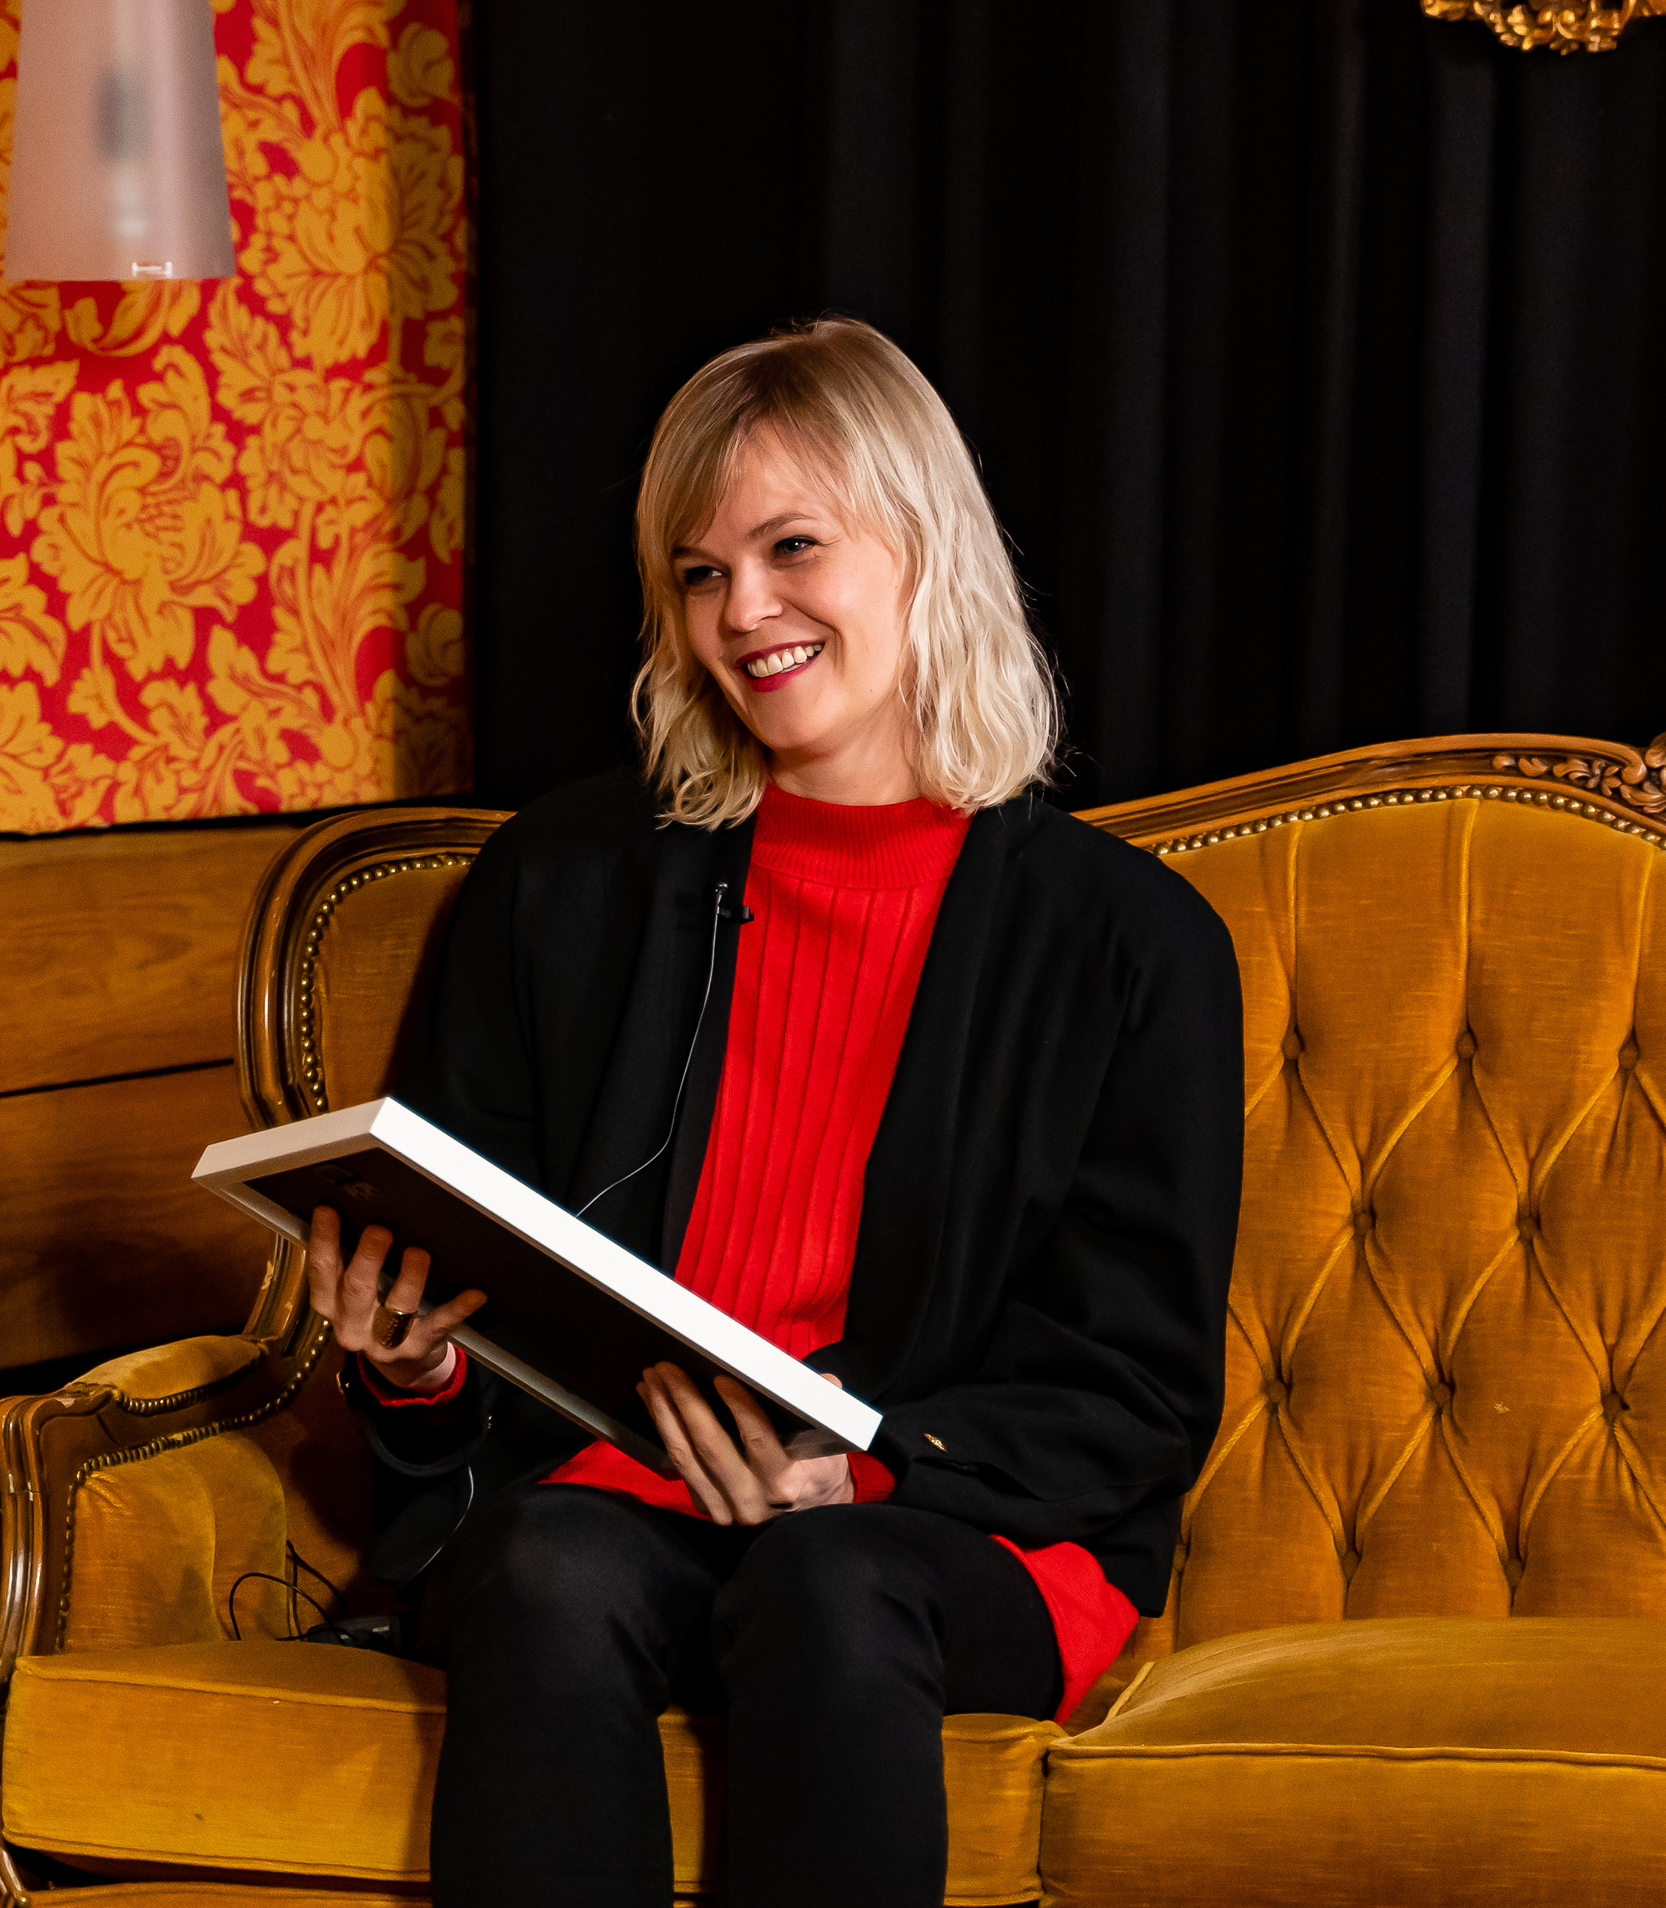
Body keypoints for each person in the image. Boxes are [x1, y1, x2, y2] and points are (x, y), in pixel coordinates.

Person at [303, 318, 1244, 1908]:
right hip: (619, 1494)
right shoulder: (560, 883)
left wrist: (861, 1467)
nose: (744, 611)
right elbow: (471, 1281)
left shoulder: (1130, 944)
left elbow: (1135, 1385)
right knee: (539, 1563)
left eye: (792, 547)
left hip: (951, 1530)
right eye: (700, 573)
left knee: (824, 1583)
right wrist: (417, 1363)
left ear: (927, 550)